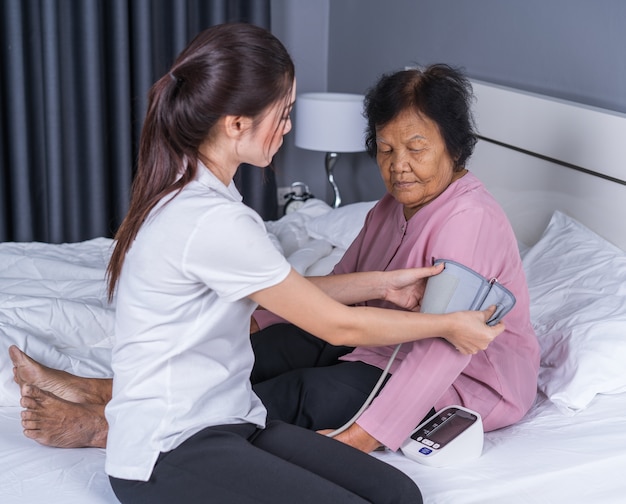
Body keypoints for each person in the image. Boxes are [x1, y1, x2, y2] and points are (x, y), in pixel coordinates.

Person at [11, 25, 504, 503]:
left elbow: (294, 291)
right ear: (237, 123)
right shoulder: (213, 219)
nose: (288, 127)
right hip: (170, 446)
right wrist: (448, 323)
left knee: (399, 493)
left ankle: (100, 399)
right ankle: (104, 419)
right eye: (283, 112)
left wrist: (385, 282)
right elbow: (335, 324)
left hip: (230, 417)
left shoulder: (204, 192)